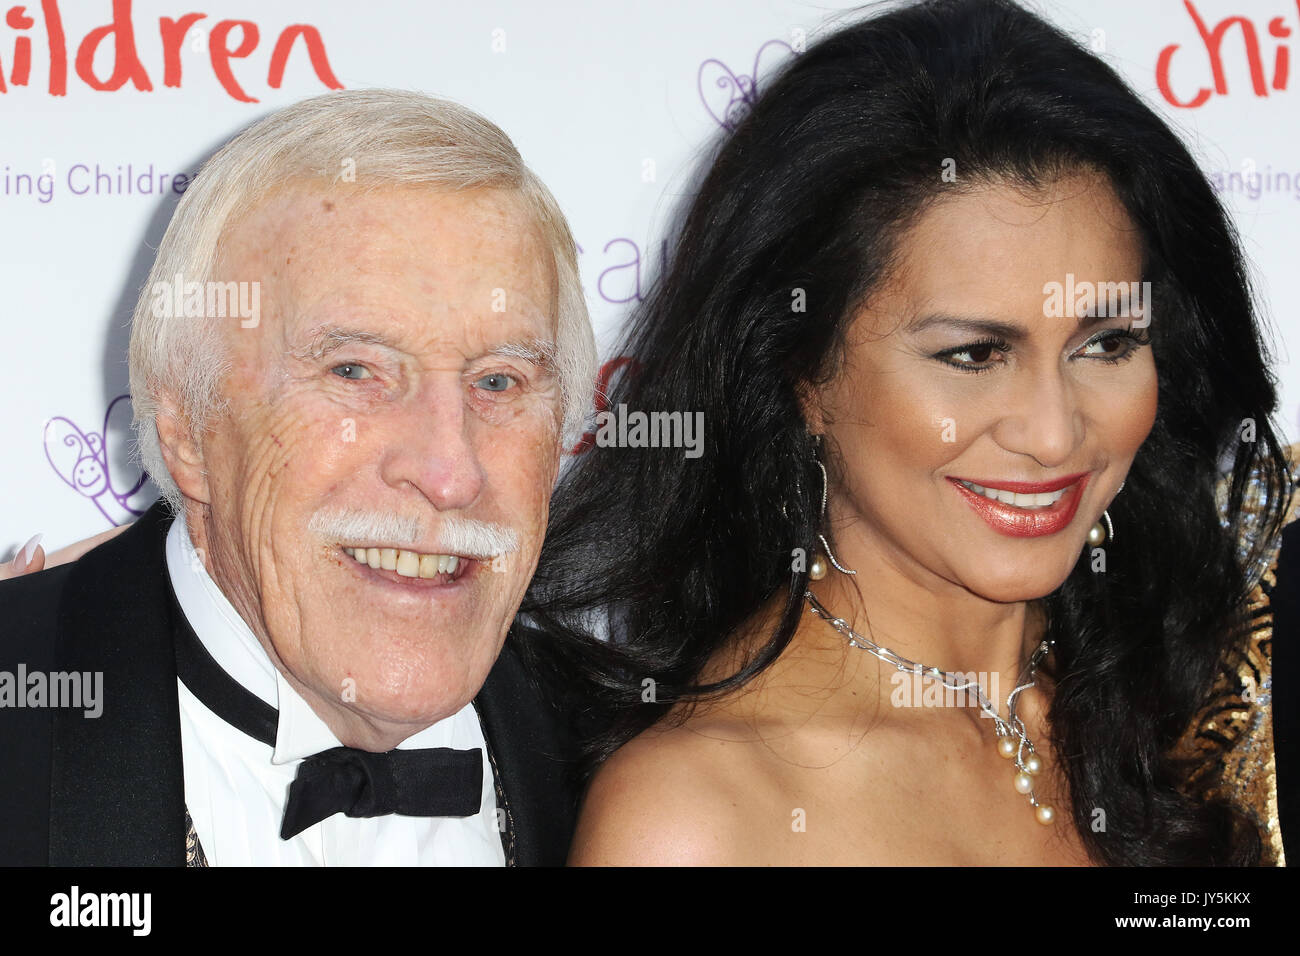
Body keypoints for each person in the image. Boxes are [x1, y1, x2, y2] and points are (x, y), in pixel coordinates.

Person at [527, 0, 1298, 865]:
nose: (1053, 434)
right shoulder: (699, 818)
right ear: (801, 374)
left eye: (1106, 344)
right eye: (973, 355)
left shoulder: (1177, 704)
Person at [0, 88, 597, 866]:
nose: (450, 474)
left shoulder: (628, 760)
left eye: (498, 382)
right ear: (187, 432)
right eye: (355, 370)